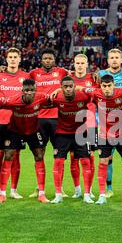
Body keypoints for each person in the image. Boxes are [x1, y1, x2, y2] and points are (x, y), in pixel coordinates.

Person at [0, 79, 54, 204]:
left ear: (35, 90)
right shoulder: (13, 101)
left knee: (39, 155)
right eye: (26, 90)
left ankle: (41, 193)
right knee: (9, 155)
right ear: (22, 91)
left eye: (31, 90)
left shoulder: (41, 97)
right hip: (15, 130)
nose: (29, 93)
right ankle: (2, 194)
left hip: (33, 130)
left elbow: (56, 99)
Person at [85, 74, 122, 205]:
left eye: (109, 86)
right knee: (103, 162)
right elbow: (80, 88)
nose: (106, 89)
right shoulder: (96, 93)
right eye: (104, 86)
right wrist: (57, 90)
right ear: (100, 86)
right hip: (104, 135)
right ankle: (102, 195)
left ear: (114, 85)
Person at [29, 48, 70, 199]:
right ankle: (39, 188)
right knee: (39, 153)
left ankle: (61, 188)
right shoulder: (34, 74)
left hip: (57, 118)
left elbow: (76, 78)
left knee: (59, 155)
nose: (47, 60)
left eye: (50, 58)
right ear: (41, 60)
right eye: (45, 58)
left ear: (54, 60)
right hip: (39, 118)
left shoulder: (62, 72)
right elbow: (24, 82)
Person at [0, 47, 30, 200]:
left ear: (20, 59)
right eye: (10, 57)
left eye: (15, 57)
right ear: (6, 59)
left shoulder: (26, 76)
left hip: (18, 121)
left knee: (15, 155)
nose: (13, 59)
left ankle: (13, 189)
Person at [98, 49, 122, 199]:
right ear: (108, 60)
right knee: (107, 158)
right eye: (111, 57)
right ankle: (109, 188)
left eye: (117, 57)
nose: (114, 60)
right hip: (106, 124)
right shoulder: (100, 75)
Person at [50, 76, 94, 205]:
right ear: (61, 88)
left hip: (81, 133)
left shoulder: (84, 96)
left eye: (71, 86)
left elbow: (97, 92)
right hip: (62, 134)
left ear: (74, 86)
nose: (68, 89)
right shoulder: (56, 97)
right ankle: (58, 194)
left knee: (86, 161)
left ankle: (86, 194)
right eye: (65, 87)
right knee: (58, 162)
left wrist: (85, 88)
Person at [70, 54, 99, 199]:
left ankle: (89, 188)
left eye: (82, 63)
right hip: (71, 123)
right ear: (73, 64)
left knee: (90, 157)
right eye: (77, 63)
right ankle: (77, 190)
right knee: (73, 157)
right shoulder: (68, 78)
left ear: (87, 64)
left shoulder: (93, 79)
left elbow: (100, 94)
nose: (80, 65)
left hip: (90, 123)